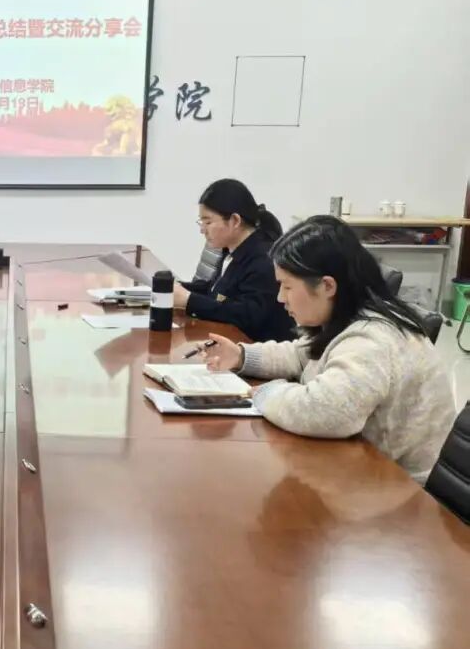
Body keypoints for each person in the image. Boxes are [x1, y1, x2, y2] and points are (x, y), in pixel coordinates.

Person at [201, 215, 456, 483]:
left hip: (402, 491)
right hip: (363, 470)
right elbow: (301, 355)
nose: (280, 298)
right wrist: (242, 356)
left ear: (327, 286)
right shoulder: (348, 317)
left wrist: (266, 393)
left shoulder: (372, 339)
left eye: (287, 286)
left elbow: (327, 412)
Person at [173, 179, 296, 342]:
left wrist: (189, 300)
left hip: (257, 348)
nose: (202, 229)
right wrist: (178, 288)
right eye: (201, 222)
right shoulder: (231, 249)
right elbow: (217, 291)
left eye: (208, 222)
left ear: (235, 221)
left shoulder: (263, 259)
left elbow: (246, 316)